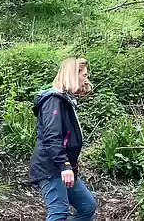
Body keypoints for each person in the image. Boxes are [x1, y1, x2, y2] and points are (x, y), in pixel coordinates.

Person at [29, 58, 97, 221]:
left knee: (87, 206)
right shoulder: (53, 100)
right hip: (50, 166)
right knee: (59, 211)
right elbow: (52, 137)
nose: (86, 80)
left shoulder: (64, 100)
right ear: (73, 74)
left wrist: (68, 167)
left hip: (62, 167)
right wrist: (64, 165)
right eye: (84, 75)